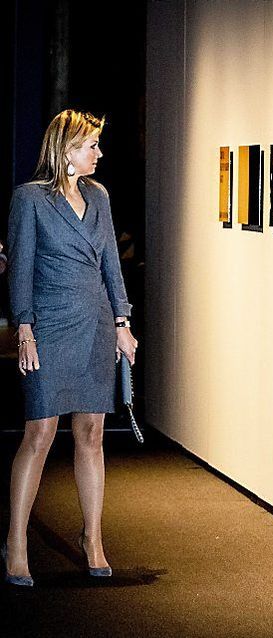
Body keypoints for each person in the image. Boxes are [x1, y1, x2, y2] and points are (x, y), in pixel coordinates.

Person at [4, 109, 138, 586]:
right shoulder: (30, 200)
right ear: (65, 152)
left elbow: (110, 267)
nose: (99, 154)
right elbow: (19, 267)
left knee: (92, 434)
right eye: (90, 146)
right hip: (49, 328)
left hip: (95, 325)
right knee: (39, 433)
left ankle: (93, 538)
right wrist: (23, 328)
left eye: (97, 145)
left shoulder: (98, 196)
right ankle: (16, 543)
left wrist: (122, 322)